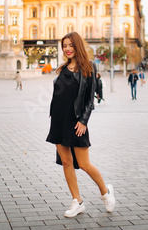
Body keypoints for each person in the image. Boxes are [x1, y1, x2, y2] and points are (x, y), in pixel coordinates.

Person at [46, 31, 115, 218]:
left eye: (71, 45)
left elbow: (90, 100)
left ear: (78, 46)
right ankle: (77, 201)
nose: (67, 49)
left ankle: (105, 191)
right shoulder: (62, 68)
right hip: (59, 121)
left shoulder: (89, 68)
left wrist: (83, 121)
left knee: (84, 164)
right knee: (66, 162)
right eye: (65, 46)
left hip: (76, 122)